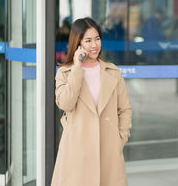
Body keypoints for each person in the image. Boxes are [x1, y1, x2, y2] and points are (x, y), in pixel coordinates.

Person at [51, 17, 132, 186]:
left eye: (97, 39)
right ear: (77, 43)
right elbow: (65, 103)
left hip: (108, 150)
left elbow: (124, 109)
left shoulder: (113, 72)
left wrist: (120, 139)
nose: (94, 45)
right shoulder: (65, 73)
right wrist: (77, 68)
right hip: (77, 150)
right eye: (88, 40)